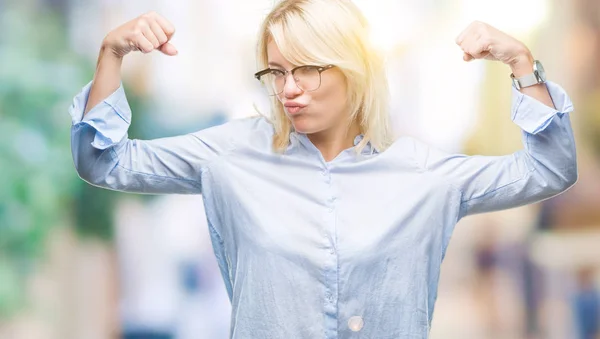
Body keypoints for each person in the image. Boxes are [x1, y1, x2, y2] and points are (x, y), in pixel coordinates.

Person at [68, 0, 578, 337]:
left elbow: (550, 171)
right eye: (277, 71)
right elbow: (104, 161)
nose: (289, 88)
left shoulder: (424, 174)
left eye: (308, 69)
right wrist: (113, 53)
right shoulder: (230, 156)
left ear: (353, 68)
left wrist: (522, 66)